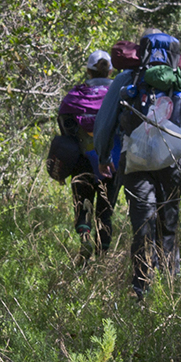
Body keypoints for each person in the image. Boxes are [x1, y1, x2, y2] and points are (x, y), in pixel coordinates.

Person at [94, 30, 181, 299]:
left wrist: (103, 156)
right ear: (176, 55)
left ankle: (142, 287)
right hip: (172, 163)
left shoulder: (127, 78)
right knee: (168, 223)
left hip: (134, 163)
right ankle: (172, 283)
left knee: (142, 223)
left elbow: (105, 120)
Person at [57, 49, 119, 261]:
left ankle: (84, 238)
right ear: (111, 70)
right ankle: (102, 258)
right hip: (111, 161)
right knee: (105, 210)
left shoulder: (75, 96)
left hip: (81, 160)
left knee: (82, 201)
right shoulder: (118, 93)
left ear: (88, 71)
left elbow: (64, 125)